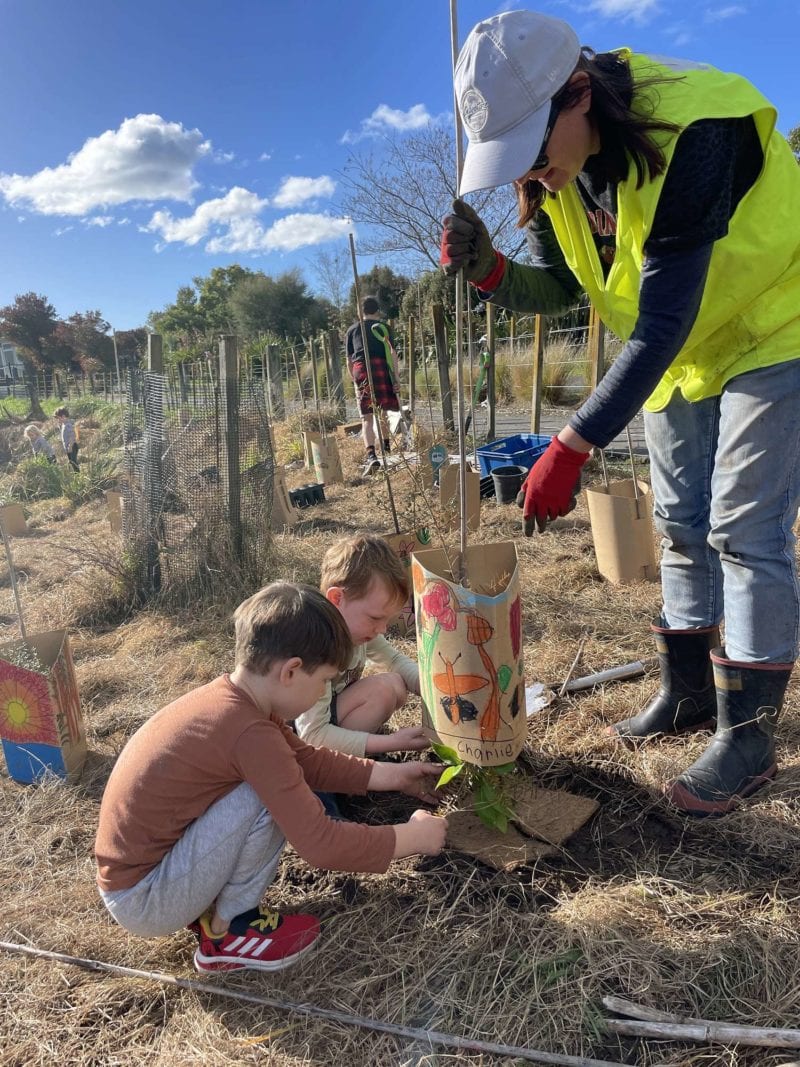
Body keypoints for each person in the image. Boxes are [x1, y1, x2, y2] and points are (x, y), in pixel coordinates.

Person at [440, 10, 800, 816]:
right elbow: (567, 287)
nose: (526, 171)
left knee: (744, 526)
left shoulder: (698, 126)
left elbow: (662, 319)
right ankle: (688, 694)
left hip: (779, 319)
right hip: (687, 351)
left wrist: (570, 444)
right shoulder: (556, 176)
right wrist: (489, 268)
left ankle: (748, 738)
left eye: (532, 148)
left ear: (580, 94)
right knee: (679, 520)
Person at [94, 581, 446, 974]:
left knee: (278, 777)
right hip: (146, 898)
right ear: (291, 671)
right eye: (322, 682)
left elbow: (310, 761)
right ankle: (231, 931)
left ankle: (215, 909)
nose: (321, 695)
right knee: (265, 793)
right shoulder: (250, 734)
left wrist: (397, 776)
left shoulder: (237, 703)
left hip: (149, 875)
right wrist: (414, 838)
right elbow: (321, 843)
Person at [294, 534, 429, 756]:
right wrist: (393, 743)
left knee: (395, 684)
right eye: (375, 618)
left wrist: (435, 691)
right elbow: (312, 735)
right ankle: (346, 765)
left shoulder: (355, 629)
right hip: (306, 743)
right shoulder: (315, 648)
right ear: (337, 599)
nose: (383, 629)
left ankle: (357, 749)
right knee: (383, 691)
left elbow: (394, 660)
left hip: (331, 719)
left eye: (387, 620)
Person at [345, 297, 401, 476]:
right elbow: (392, 354)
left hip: (361, 370)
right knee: (382, 412)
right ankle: (386, 450)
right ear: (377, 311)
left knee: (367, 417)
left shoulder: (352, 330)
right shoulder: (384, 328)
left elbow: (349, 360)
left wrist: (355, 380)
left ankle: (371, 456)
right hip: (382, 368)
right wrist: (396, 379)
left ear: (359, 312)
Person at [54, 406, 79, 471]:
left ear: (63, 416)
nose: (58, 420)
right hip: (68, 446)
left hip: (72, 446)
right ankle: (75, 473)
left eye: (58, 418)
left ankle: (77, 474)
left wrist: (70, 446)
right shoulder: (64, 424)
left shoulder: (68, 425)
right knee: (71, 461)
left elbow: (72, 436)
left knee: (74, 462)